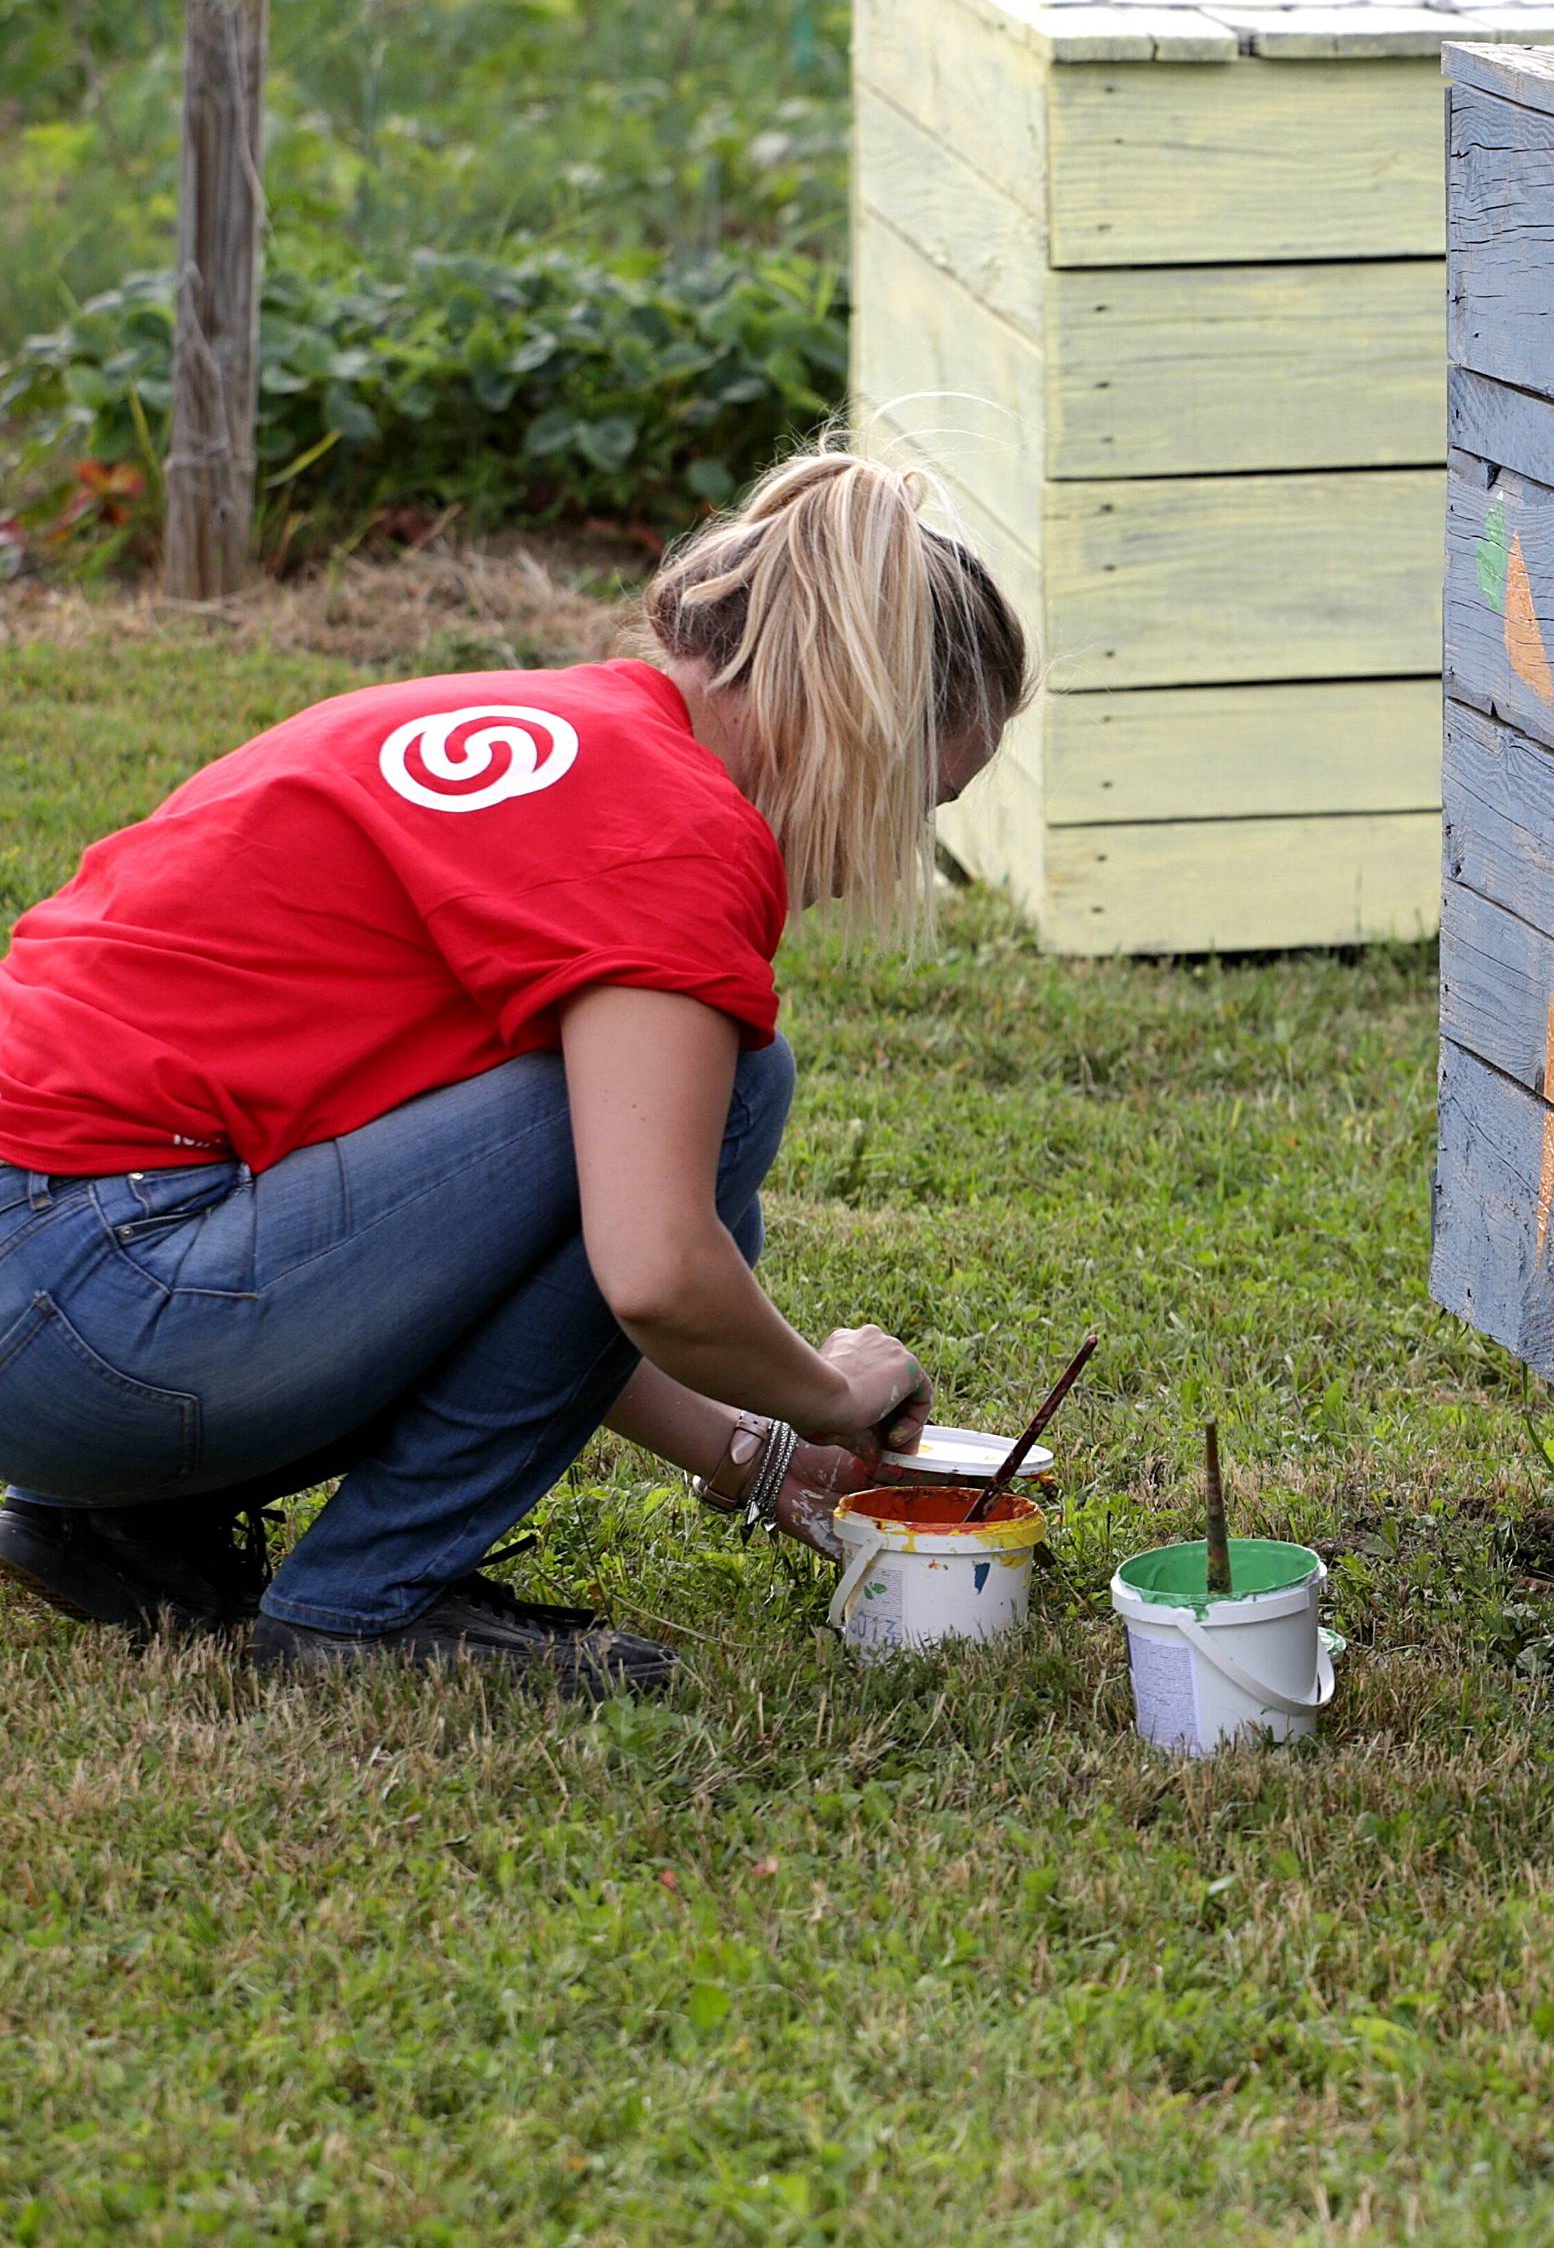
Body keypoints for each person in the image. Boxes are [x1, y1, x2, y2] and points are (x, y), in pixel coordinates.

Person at [0, 447, 1031, 1700]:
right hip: (97, 1302)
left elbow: (498, 1262)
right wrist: (831, 1392)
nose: (890, 856)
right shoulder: (676, 829)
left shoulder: (576, 734)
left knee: (661, 1137)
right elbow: (652, 1269)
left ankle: (119, 1524)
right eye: (918, 802)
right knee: (730, 1105)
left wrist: (753, 1455)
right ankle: (363, 1610)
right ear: (856, 717)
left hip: (54, 1299)